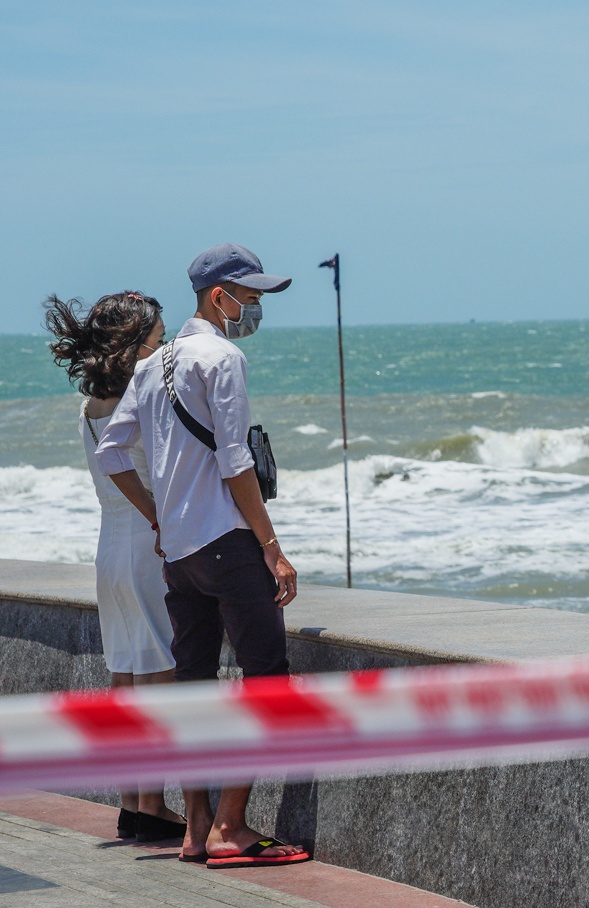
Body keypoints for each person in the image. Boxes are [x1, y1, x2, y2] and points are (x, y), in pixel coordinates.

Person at [96, 243, 309, 868]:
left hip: (180, 556)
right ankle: (230, 828)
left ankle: (194, 830)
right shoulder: (222, 357)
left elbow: (112, 452)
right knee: (266, 680)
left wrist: (157, 516)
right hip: (226, 545)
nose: (256, 308)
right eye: (252, 297)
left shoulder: (154, 363)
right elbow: (236, 461)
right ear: (221, 297)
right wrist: (273, 549)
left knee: (193, 686)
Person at [44, 291, 189, 842]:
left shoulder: (90, 405)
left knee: (126, 671)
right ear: (134, 345)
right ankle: (151, 806)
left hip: (109, 545)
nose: (165, 348)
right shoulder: (142, 396)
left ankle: (131, 803)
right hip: (146, 541)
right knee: (159, 669)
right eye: (158, 339)